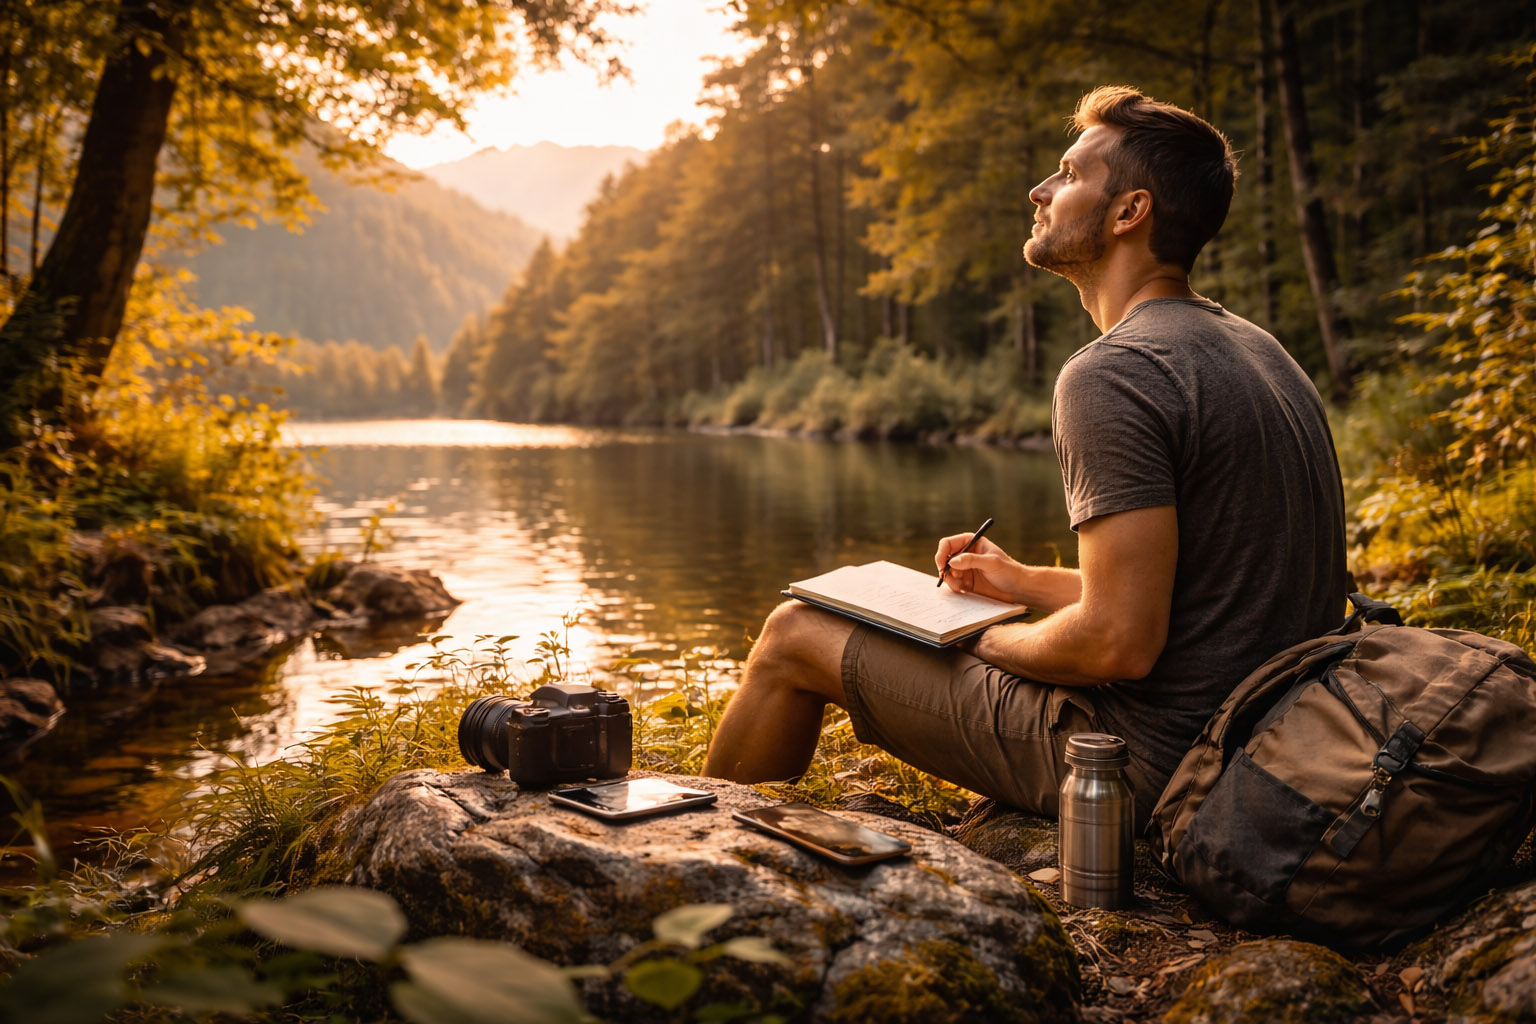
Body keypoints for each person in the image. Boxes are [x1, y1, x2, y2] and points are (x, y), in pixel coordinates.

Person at [701, 86, 1348, 825]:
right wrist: (1023, 581)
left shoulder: (1114, 372)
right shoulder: (1259, 350)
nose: (1039, 191)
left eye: (1070, 174)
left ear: (1129, 213)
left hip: (1152, 764)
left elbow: (1116, 645)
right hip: (1272, 740)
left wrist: (986, 636)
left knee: (794, 635)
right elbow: (1211, 598)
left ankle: (702, 855)